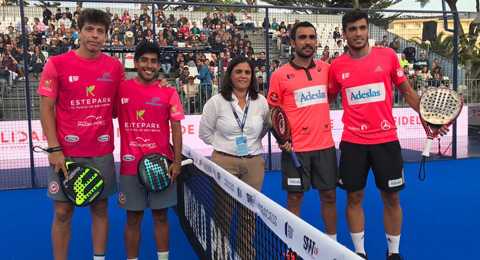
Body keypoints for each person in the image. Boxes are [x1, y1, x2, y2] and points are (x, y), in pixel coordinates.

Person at [328, 9, 447, 260]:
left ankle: (393, 253)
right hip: (352, 142)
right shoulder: (336, 66)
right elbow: (325, 99)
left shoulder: (389, 56)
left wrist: (430, 119)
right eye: (352, 29)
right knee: (354, 196)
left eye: (362, 28)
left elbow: (408, 92)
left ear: (368, 29)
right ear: (345, 34)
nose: (358, 33)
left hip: (386, 140)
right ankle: (359, 252)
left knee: (391, 197)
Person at [37, 9, 125, 260]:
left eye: (100, 31)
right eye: (89, 29)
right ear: (79, 32)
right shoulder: (57, 64)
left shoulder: (115, 66)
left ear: (106, 36)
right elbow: (46, 108)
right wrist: (54, 149)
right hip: (65, 154)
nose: (95, 35)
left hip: (101, 152)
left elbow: (124, 104)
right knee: (63, 213)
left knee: (99, 209)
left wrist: (155, 87)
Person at [267, 21, 338, 241]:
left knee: (329, 196)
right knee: (295, 199)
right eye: (302, 37)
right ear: (292, 42)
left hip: (325, 146)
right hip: (295, 150)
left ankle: (332, 245)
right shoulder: (279, 75)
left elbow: (332, 95)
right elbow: (273, 112)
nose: (308, 42)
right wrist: (281, 139)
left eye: (311, 37)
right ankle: (292, 247)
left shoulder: (326, 69)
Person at [116, 41, 184, 260]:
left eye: (154, 61)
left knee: (161, 216)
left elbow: (176, 129)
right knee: (133, 219)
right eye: (144, 60)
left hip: (162, 166)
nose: (149, 65)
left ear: (159, 66)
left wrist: (176, 161)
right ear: (135, 63)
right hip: (130, 167)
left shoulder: (168, 92)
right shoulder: (121, 89)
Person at [199, 56, 269, 259]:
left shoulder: (261, 102)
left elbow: (264, 129)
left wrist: (251, 144)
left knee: (249, 214)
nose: (243, 76)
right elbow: (205, 133)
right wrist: (225, 148)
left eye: (247, 72)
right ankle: (219, 254)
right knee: (224, 213)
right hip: (223, 163)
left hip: (254, 163)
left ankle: (246, 255)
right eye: (239, 71)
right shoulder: (216, 102)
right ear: (230, 75)